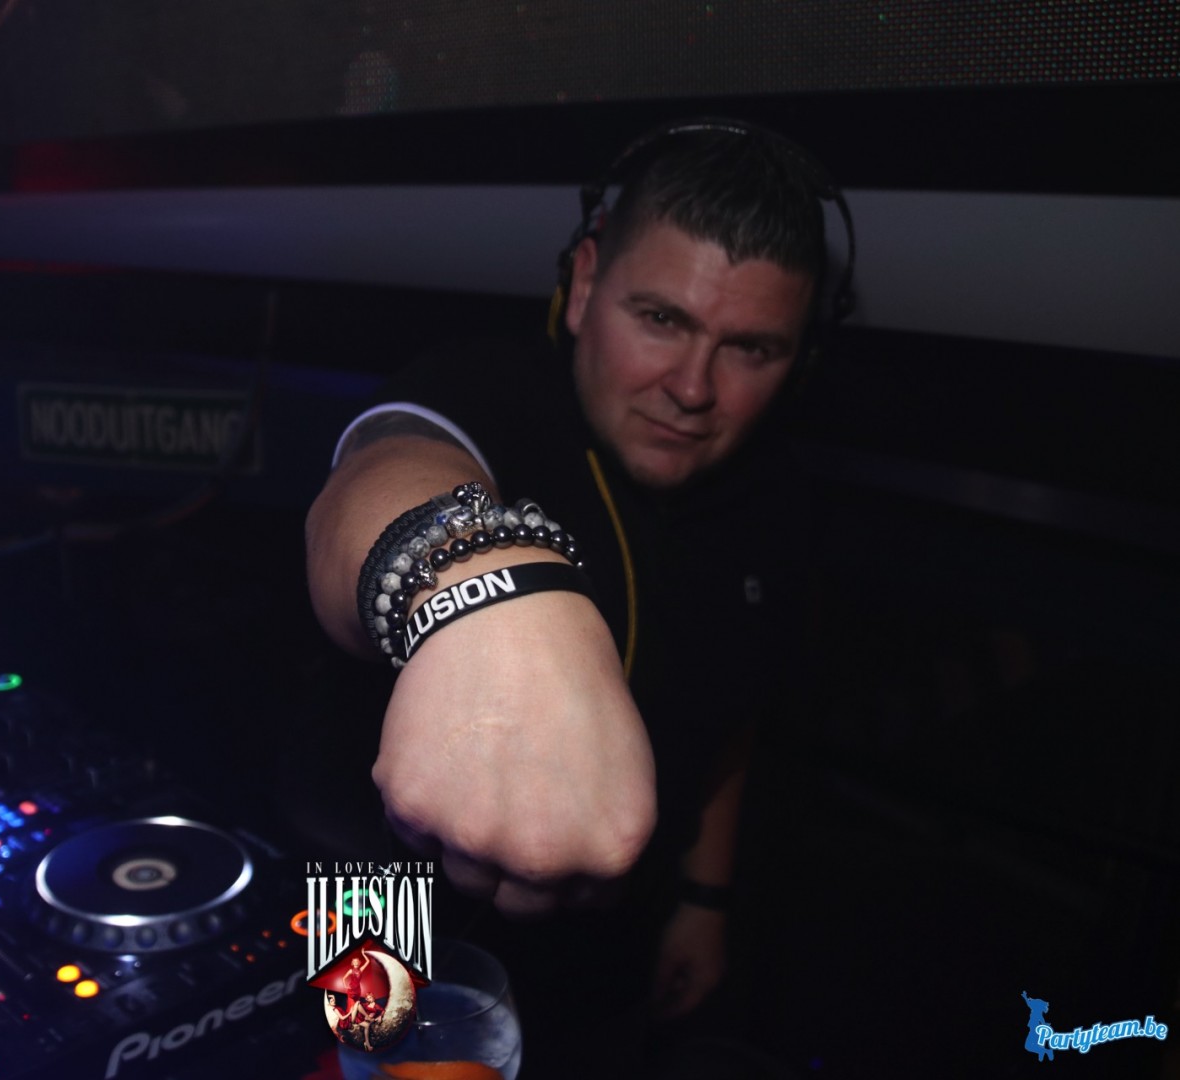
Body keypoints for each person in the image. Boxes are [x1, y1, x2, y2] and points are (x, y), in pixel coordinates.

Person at [305, 120, 852, 1060]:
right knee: (368, 1062)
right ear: (587, 282)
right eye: (662, 319)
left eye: (752, 348)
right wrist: (484, 589)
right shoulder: (484, 386)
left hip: (617, 925)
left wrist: (704, 900)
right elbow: (379, 476)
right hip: (374, 901)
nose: (693, 387)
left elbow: (736, 715)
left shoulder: (778, 496)